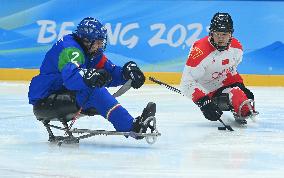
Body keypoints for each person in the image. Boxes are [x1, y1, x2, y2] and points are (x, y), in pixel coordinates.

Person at [28, 17, 156, 141]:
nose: (100, 46)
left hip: (61, 94)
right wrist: (89, 76)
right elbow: (71, 78)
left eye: (101, 42)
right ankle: (133, 127)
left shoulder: (92, 52)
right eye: (98, 42)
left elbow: (109, 72)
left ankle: (131, 125)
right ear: (86, 40)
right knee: (93, 91)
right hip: (44, 100)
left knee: (94, 89)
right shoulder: (70, 49)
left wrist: (126, 74)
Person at [180, 12, 258, 124]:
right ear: (211, 33)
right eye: (217, 34)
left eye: (224, 34)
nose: (220, 38)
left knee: (247, 99)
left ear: (231, 34)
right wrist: (203, 101)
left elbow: (231, 69)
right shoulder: (200, 52)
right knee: (238, 95)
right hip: (208, 89)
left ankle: (237, 105)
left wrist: (238, 85)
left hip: (226, 81)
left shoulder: (237, 48)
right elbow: (186, 84)